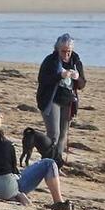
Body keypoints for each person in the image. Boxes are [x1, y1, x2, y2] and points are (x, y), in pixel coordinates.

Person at [0, 115, 69, 207]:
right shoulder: (7, 145)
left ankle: (15, 195)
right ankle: (58, 202)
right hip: (8, 189)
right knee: (48, 163)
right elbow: (13, 169)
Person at [35, 34, 84, 163]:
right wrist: (59, 76)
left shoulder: (75, 61)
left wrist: (77, 77)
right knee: (54, 134)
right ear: (57, 49)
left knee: (63, 134)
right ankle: (46, 162)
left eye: (69, 51)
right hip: (51, 100)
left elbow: (82, 83)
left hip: (68, 101)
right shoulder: (50, 60)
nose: (66, 54)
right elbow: (42, 79)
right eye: (63, 51)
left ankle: (57, 163)